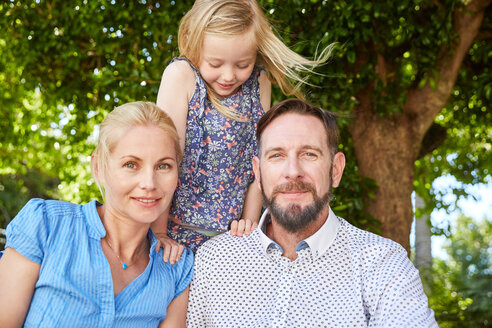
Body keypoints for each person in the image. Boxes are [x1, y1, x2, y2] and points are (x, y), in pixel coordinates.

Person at [186, 99, 439, 327]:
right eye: (277, 155)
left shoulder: (382, 264)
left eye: (309, 154)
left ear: (336, 169)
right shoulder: (214, 261)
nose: (293, 171)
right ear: (258, 172)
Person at [154, 0, 334, 256]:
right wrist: (159, 233)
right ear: (195, 47)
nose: (229, 76)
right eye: (215, 64)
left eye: (242, 65)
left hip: (232, 239)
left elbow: (257, 161)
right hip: (176, 235)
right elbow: (163, 160)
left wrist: (249, 225)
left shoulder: (259, 81)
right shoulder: (181, 76)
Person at [0, 102, 193, 327]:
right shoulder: (46, 225)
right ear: (99, 168)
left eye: (163, 166)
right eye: (131, 164)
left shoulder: (176, 267)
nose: (149, 183)